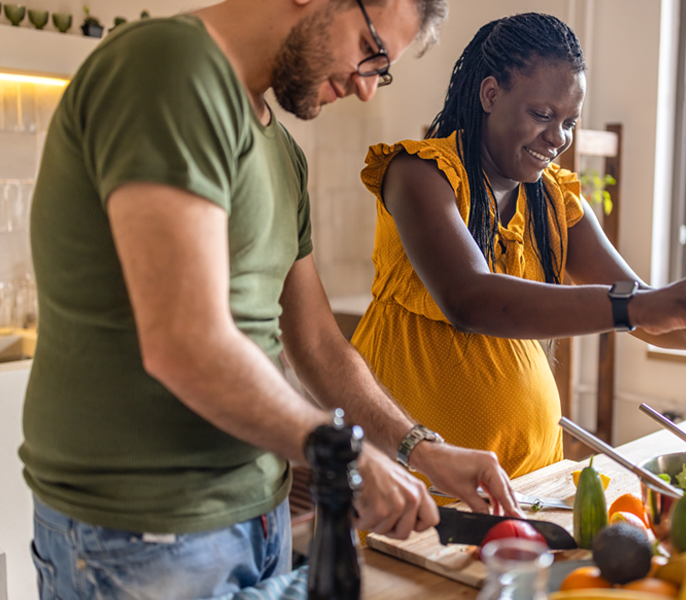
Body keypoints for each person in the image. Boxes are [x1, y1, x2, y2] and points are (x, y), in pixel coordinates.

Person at [20, 1, 523, 598]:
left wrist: (422, 449)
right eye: (370, 49)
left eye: (380, 70)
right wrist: (348, 458)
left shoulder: (281, 150)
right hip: (145, 533)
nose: (366, 88)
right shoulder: (168, 68)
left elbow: (316, 345)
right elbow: (185, 343)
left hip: (258, 516)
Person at [351, 12, 686, 481]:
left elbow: (649, 319)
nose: (558, 138)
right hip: (411, 479)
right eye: (542, 115)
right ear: (490, 94)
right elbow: (469, 299)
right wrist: (645, 305)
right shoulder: (420, 175)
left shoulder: (555, 200)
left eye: (569, 121)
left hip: (528, 482)